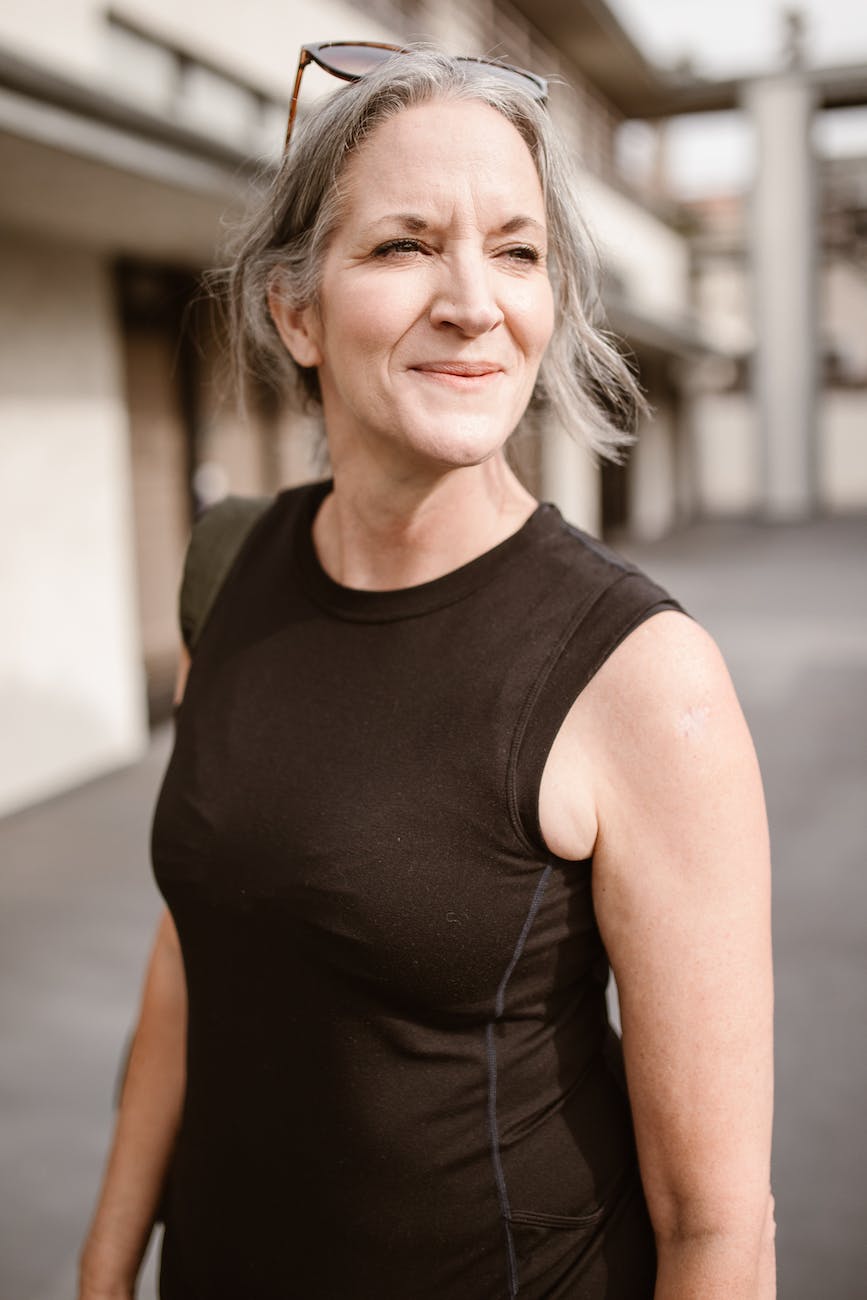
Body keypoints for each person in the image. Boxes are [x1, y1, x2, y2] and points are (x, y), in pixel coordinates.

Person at [79, 44, 775, 1300]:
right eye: (405, 245)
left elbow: (718, 1227)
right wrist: (104, 1265)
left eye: (515, 250)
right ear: (296, 309)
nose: (472, 300)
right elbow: (204, 945)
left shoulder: (641, 675)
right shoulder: (232, 566)